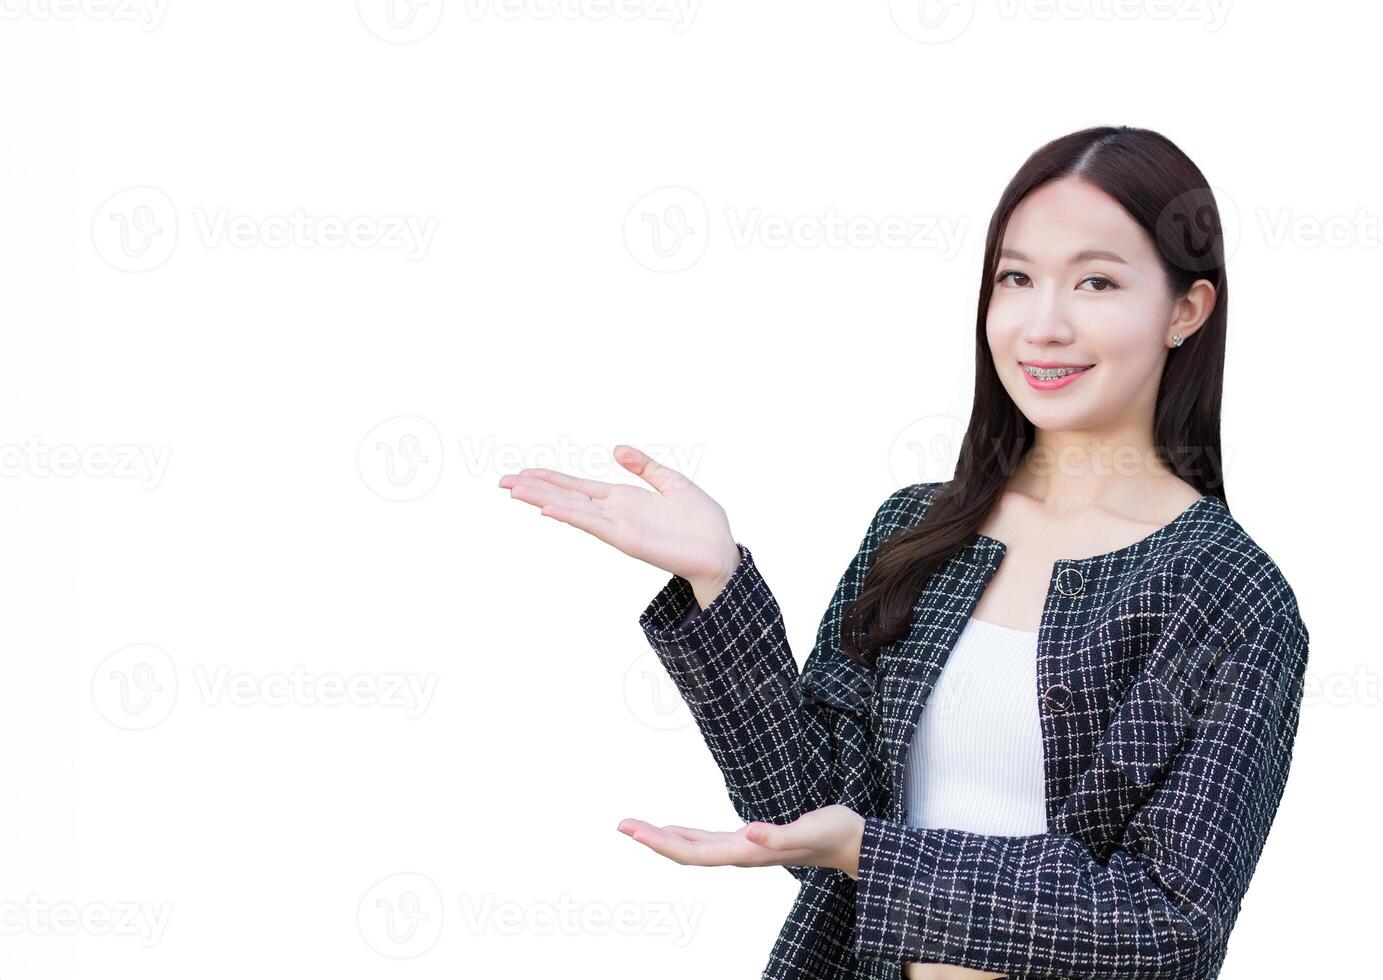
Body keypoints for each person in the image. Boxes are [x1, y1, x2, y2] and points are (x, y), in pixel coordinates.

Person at [499, 125, 1309, 980]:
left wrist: (873, 857)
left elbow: (1168, 922)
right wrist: (717, 580)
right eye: (1016, 278)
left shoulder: (1231, 596)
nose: (1043, 324)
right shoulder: (918, 529)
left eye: (1096, 282)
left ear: (1187, 309)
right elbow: (801, 808)